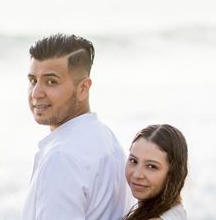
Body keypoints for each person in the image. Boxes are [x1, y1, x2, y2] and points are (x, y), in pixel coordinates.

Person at [21, 33, 128, 220]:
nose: (36, 93)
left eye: (51, 81)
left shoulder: (61, 158)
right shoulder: (106, 137)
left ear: (83, 89)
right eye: (33, 81)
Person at [123, 124, 188, 220]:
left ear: (173, 172)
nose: (137, 175)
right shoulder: (175, 208)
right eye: (133, 161)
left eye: (151, 166)